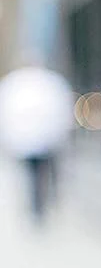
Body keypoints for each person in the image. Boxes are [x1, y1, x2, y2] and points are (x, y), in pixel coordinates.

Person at [0, 63, 75, 224]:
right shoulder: (49, 83)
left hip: (32, 140)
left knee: (33, 174)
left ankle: (38, 205)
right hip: (39, 140)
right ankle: (40, 204)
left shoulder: (15, 84)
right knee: (39, 173)